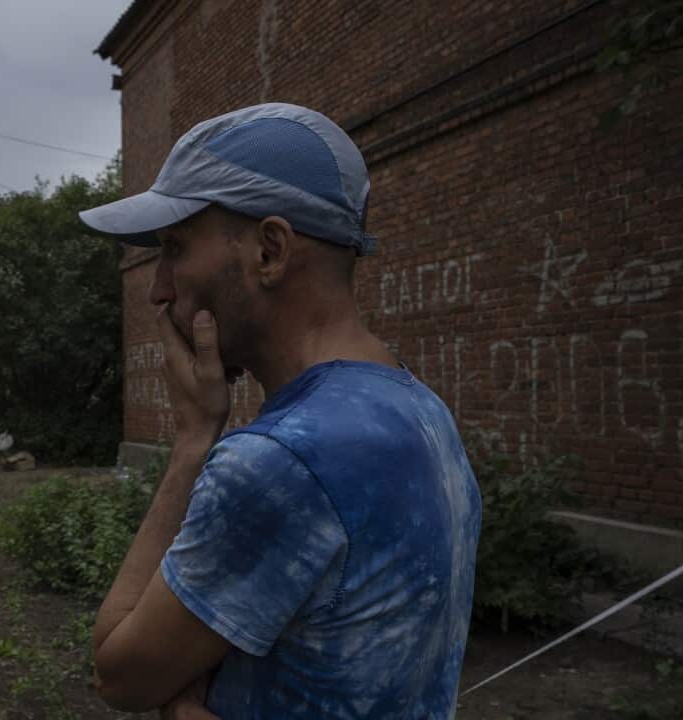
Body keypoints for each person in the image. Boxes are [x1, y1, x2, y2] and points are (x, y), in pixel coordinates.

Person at [79, 103, 481, 719]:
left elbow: (120, 672)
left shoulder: (283, 460)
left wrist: (193, 442)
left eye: (176, 248)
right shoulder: (421, 411)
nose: (159, 289)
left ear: (270, 250)